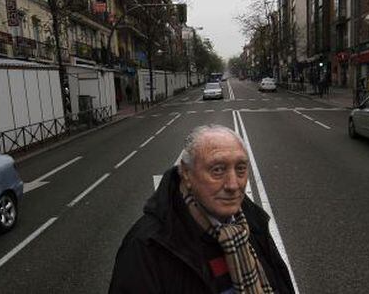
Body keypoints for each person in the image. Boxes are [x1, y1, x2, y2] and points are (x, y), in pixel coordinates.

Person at [109, 125, 295, 294]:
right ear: (187, 174)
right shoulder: (145, 247)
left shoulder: (252, 223)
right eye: (217, 170)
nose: (233, 184)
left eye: (240, 169)